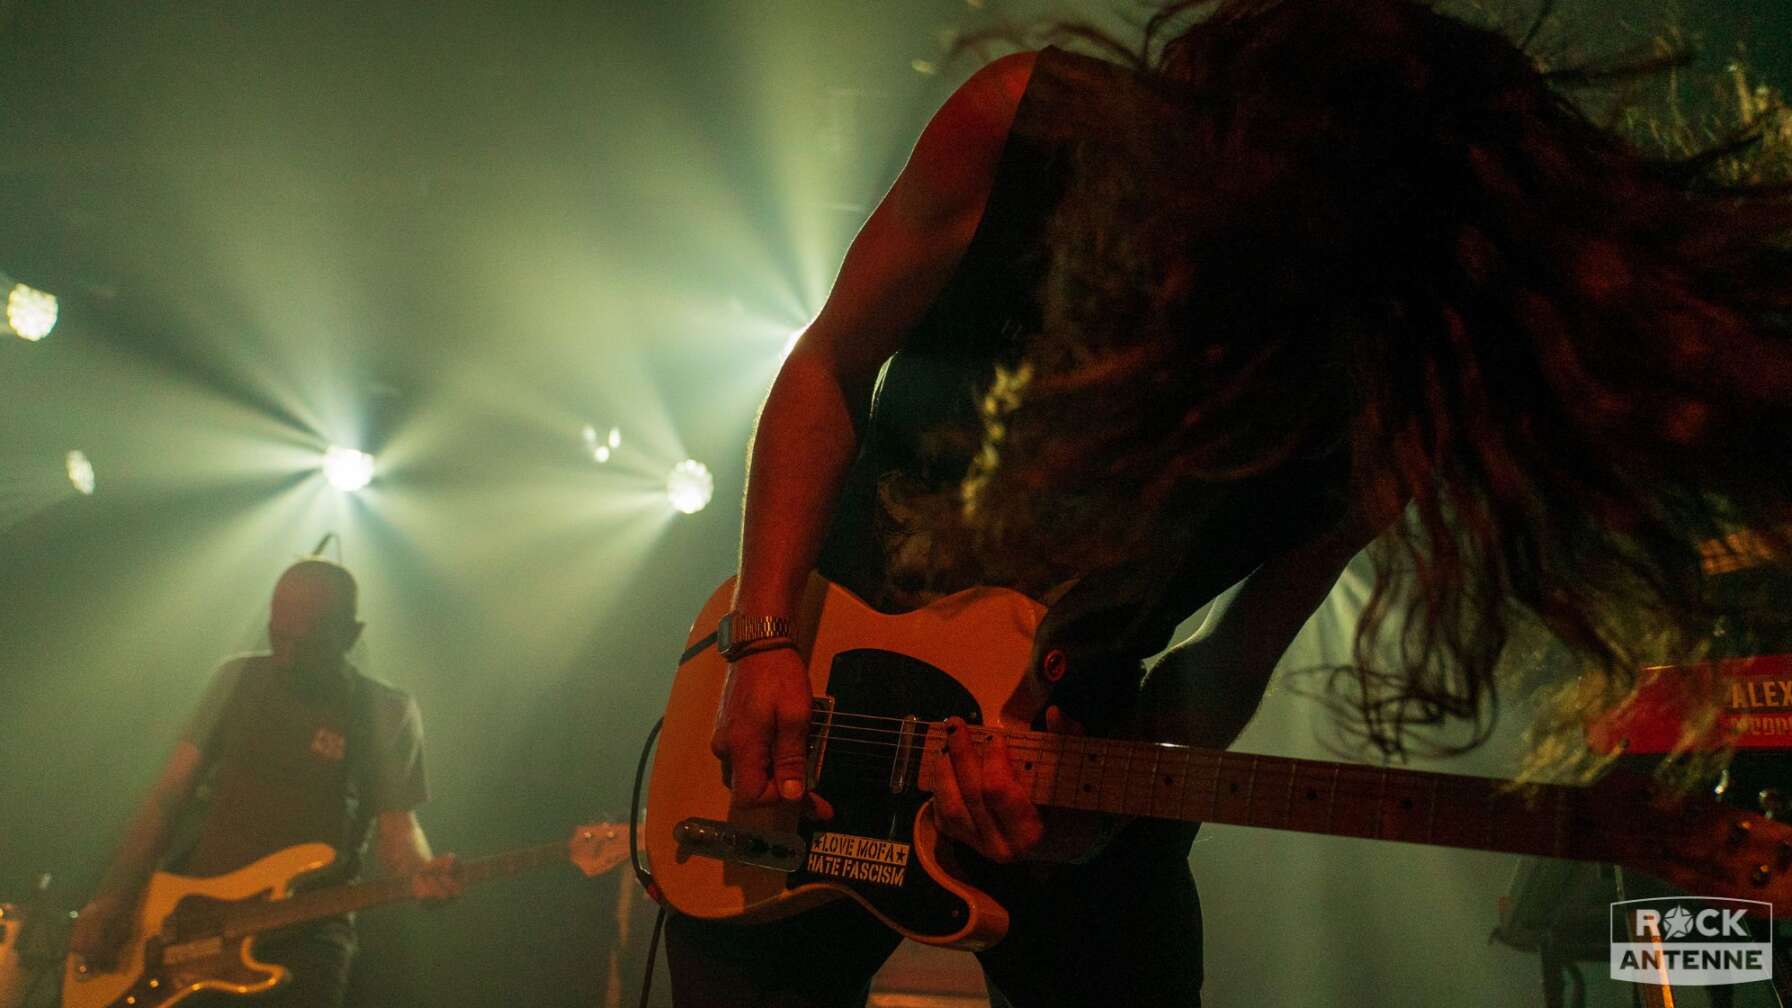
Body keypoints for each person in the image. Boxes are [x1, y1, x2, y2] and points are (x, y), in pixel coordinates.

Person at [683, 0, 1792, 1005]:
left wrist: (1113, 804)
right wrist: (764, 637)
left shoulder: (1389, 398)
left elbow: (1235, 655)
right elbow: (828, 364)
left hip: (1078, 740)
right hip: (806, 698)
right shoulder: (1026, 127)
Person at [69, 559, 459, 1008]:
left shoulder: (386, 711)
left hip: (308, 932)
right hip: (197, 922)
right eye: (279, 634)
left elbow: (399, 831)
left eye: (307, 641)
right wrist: (114, 897)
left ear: (350, 635)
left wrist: (422, 875)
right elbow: (167, 798)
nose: (287, 655)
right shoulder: (237, 679)